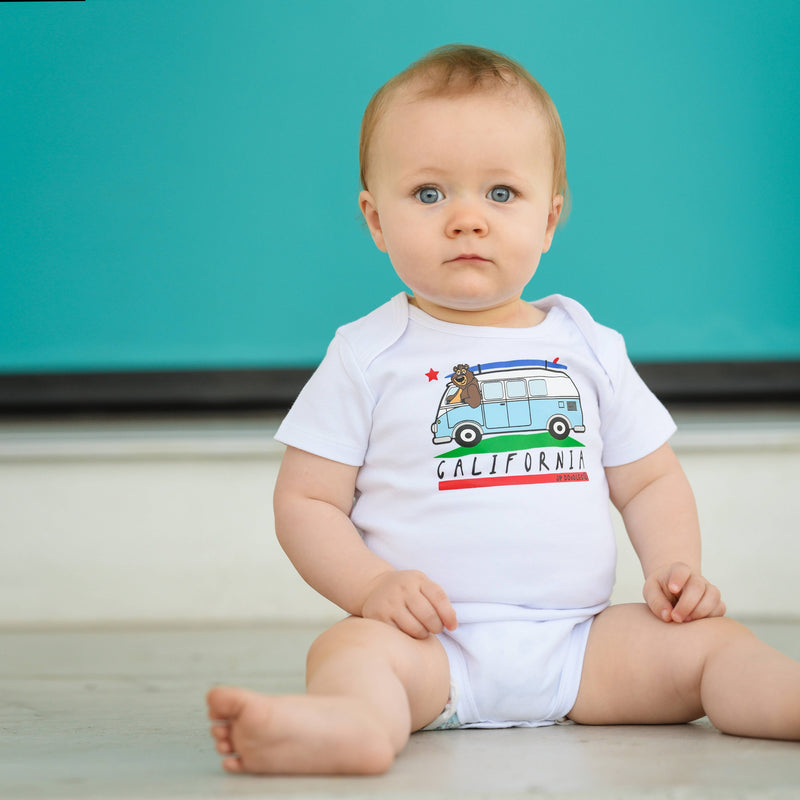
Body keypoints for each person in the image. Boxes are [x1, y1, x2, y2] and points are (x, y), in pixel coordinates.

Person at [207, 44, 800, 775]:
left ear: (549, 220)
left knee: (714, 646)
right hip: (431, 646)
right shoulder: (366, 352)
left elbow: (648, 480)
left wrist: (676, 568)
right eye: (428, 194)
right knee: (347, 651)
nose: (466, 220)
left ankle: (788, 700)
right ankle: (353, 726)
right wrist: (371, 588)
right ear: (374, 219)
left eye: (500, 194)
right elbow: (305, 501)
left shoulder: (587, 344)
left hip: (585, 645)